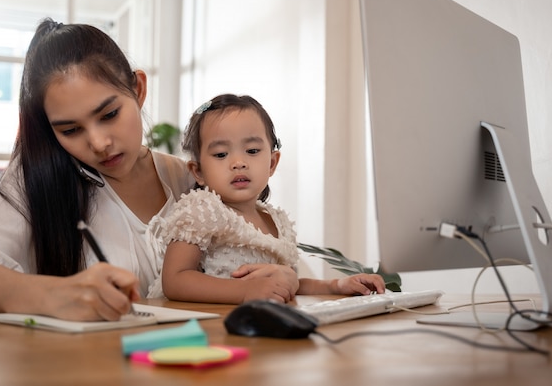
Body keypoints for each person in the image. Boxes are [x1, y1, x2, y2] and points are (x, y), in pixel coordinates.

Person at [0, 19, 298, 321]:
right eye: (70, 130)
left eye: (109, 114)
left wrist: (279, 275)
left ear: (138, 89)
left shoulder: (192, 180)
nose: (99, 142)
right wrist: (57, 294)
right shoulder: (37, 178)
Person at [156, 94, 386, 304]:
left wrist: (336, 286)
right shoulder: (202, 210)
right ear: (198, 172)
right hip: (206, 328)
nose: (238, 162)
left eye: (252, 151)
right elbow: (175, 280)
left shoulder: (276, 221)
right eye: (221, 154)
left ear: (272, 163)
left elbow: (287, 284)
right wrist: (245, 291)